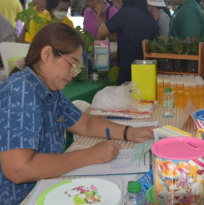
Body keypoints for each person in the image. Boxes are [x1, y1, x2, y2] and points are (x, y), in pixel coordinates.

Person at [0, 23, 155, 205]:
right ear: (47, 54)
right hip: (22, 198)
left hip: (47, 187)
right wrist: (89, 155)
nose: (74, 74)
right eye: (72, 64)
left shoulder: (49, 90)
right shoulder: (22, 89)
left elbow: (84, 123)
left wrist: (130, 132)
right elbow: (19, 169)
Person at [97, 0, 159, 85]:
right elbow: (134, 41)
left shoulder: (125, 13)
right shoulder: (150, 18)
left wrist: (99, 51)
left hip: (129, 70)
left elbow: (102, 30)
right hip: (148, 70)